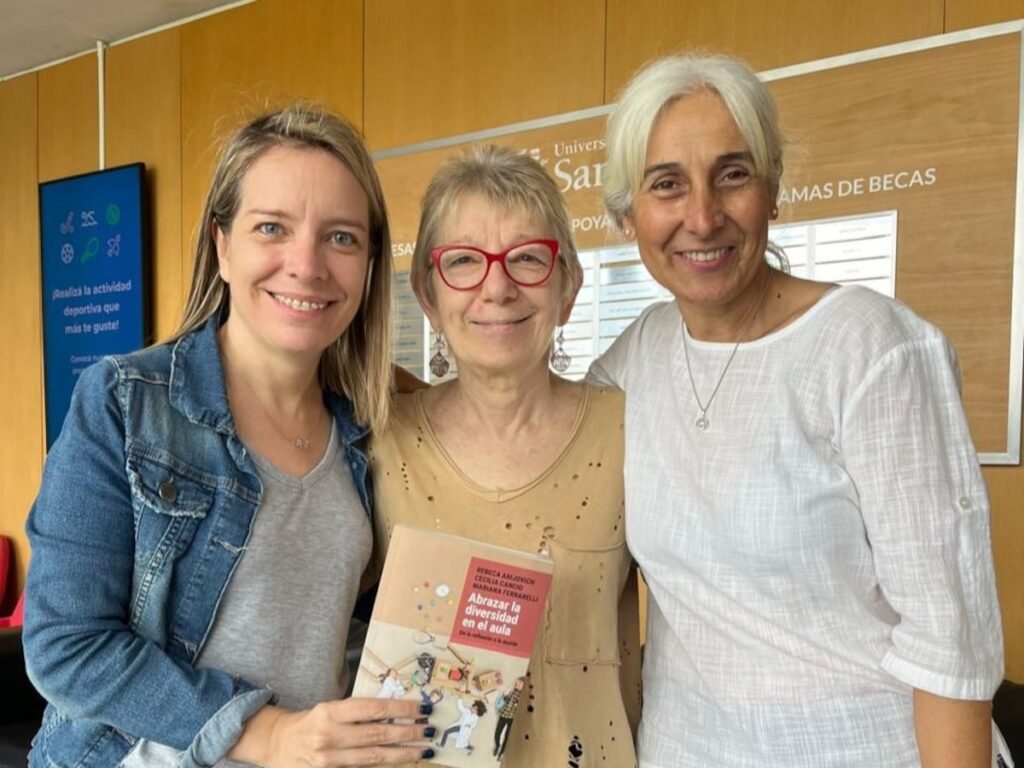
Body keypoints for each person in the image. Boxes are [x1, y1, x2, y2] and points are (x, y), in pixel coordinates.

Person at [589, 52, 1005, 767]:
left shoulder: (873, 350)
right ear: (629, 216)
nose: (702, 215)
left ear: (773, 188)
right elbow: (523, 425)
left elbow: (951, 639)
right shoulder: (636, 356)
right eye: (667, 184)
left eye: (733, 174)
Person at [23, 105, 437, 768]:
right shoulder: (124, 402)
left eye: (341, 238)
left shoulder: (370, 430)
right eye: (272, 228)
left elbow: (337, 631)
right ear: (222, 245)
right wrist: (269, 731)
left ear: (367, 264)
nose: (306, 265)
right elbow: (67, 647)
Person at [371, 144, 642, 767]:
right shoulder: (379, 442)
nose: (497, 287)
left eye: (526, 259)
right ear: (428, 294)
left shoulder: (629, 429)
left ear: (568, 287)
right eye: (464, 261)